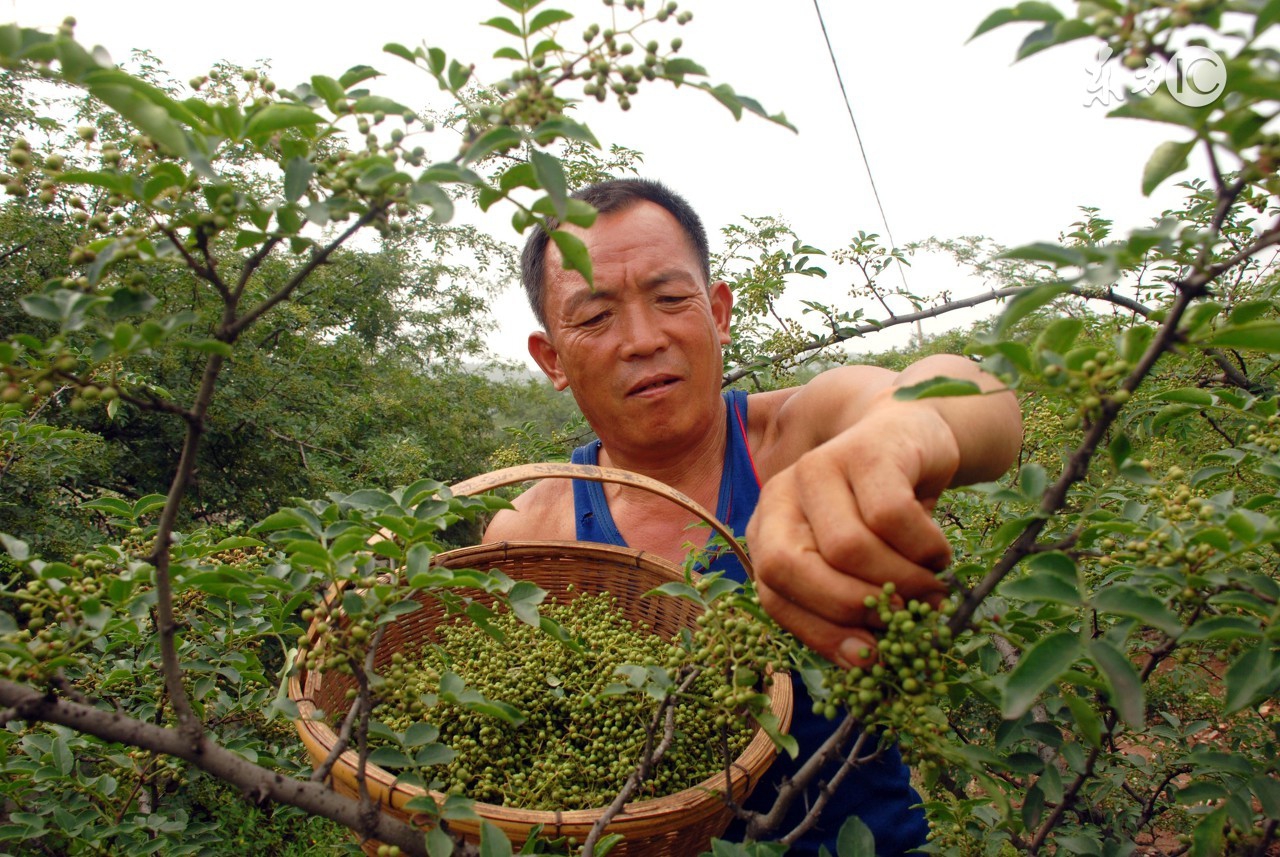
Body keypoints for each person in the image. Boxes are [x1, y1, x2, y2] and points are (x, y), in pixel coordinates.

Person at [483, 178, 1022, 854]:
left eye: (671, 298)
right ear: (553, 360)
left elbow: (980, 399)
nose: (643, 338)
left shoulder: (799, 436)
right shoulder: (532, 533)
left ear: (718, 312)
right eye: (595, 317)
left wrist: (903, 427)